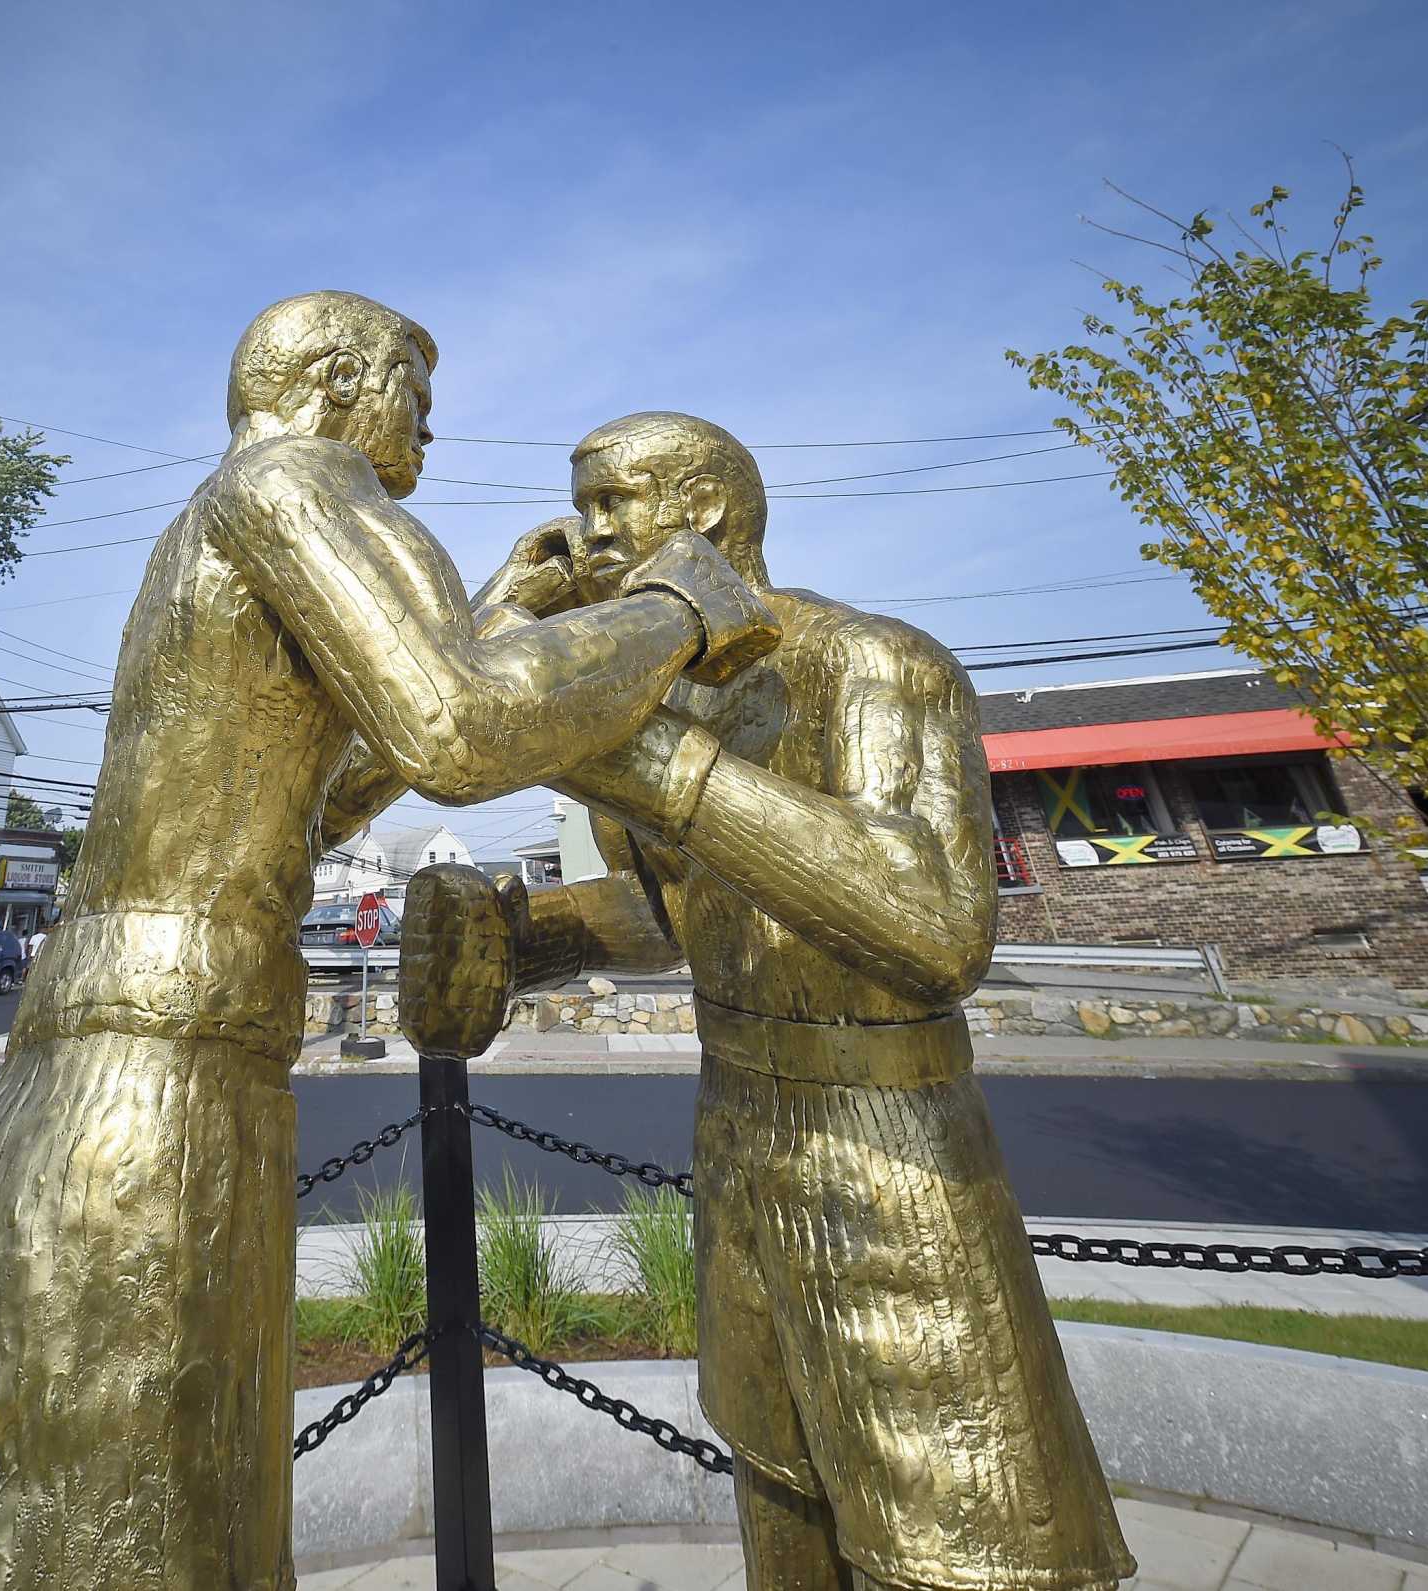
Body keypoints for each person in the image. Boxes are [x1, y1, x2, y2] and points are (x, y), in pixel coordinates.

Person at [0, 301, 779, 1591]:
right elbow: (456, 734)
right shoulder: (300, 482)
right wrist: (675, 610)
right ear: (342, 379)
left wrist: (500, 613)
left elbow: (334, 790)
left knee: (166, 1518)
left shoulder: (250, 505)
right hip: (152, 1082)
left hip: (148, 1063)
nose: (427, 415)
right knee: (134, 1531)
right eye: (414, 382)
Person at [402, 413, 1135, 1591]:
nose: (582, 535)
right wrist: (528, 936)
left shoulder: (868, 663)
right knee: (777, 1476)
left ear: (698, 510)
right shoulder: (656, 696)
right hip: (740, 1125)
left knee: (956, 1524)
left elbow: (936, 925)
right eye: (577, 505)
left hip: (886, 1148)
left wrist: (645, 765)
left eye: (607, 504)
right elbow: (698, 907)